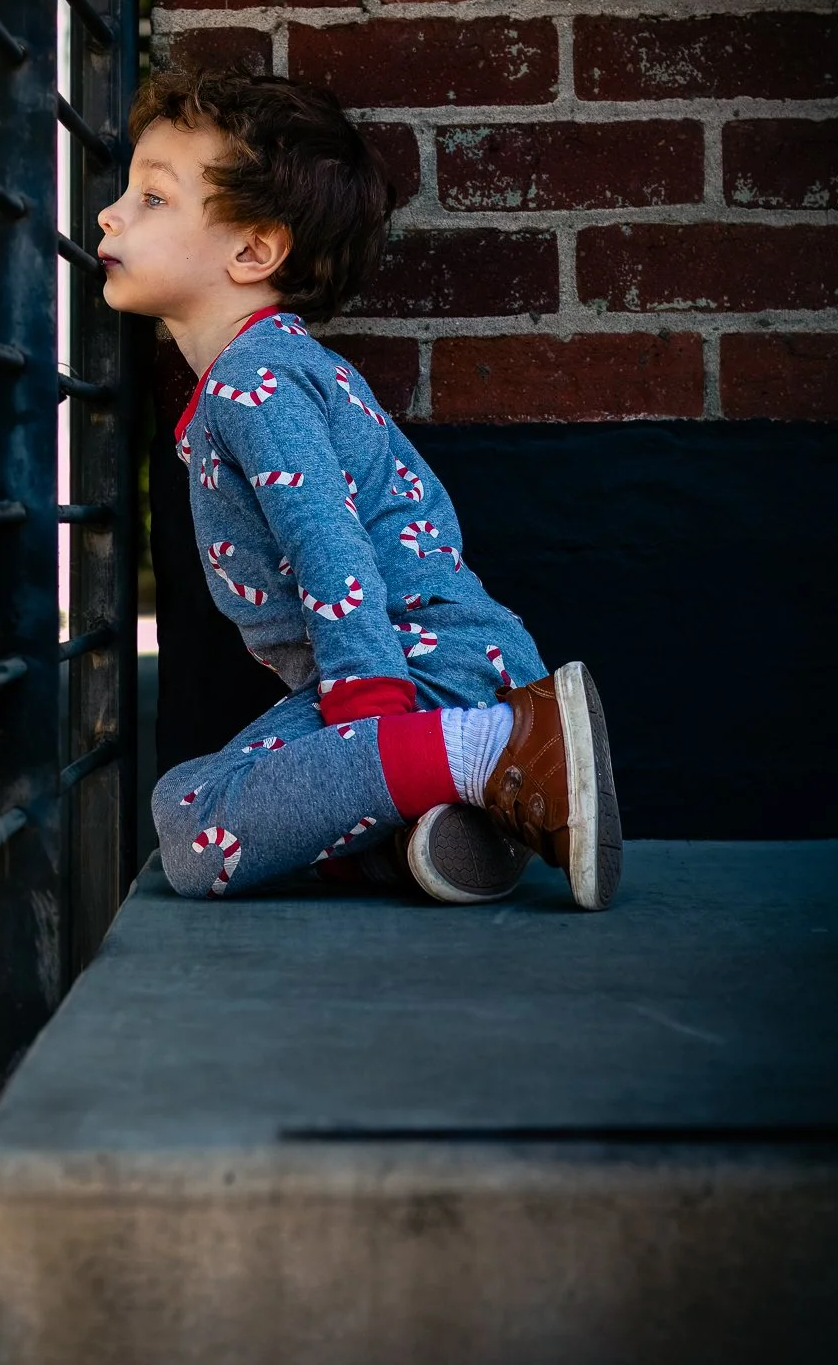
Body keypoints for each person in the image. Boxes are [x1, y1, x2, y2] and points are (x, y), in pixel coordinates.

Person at [97, 69, 621, 911]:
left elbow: (326, 542)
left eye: (152, 199)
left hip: (417, 671)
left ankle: (495, 750)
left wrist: (368, 702)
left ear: (253, 251)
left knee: (191, 822)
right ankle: (432, 825)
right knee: (222, 799)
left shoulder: (254, 382)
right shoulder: (269, 369)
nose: (110, 214)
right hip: (431, 666)